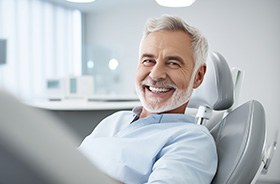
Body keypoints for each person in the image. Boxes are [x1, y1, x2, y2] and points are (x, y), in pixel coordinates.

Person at [79, 15, 217, 184]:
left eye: (173, 63)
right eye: (148, 61)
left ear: (198, 76)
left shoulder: (192, 140)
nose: (156, 74)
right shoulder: (115, 120)